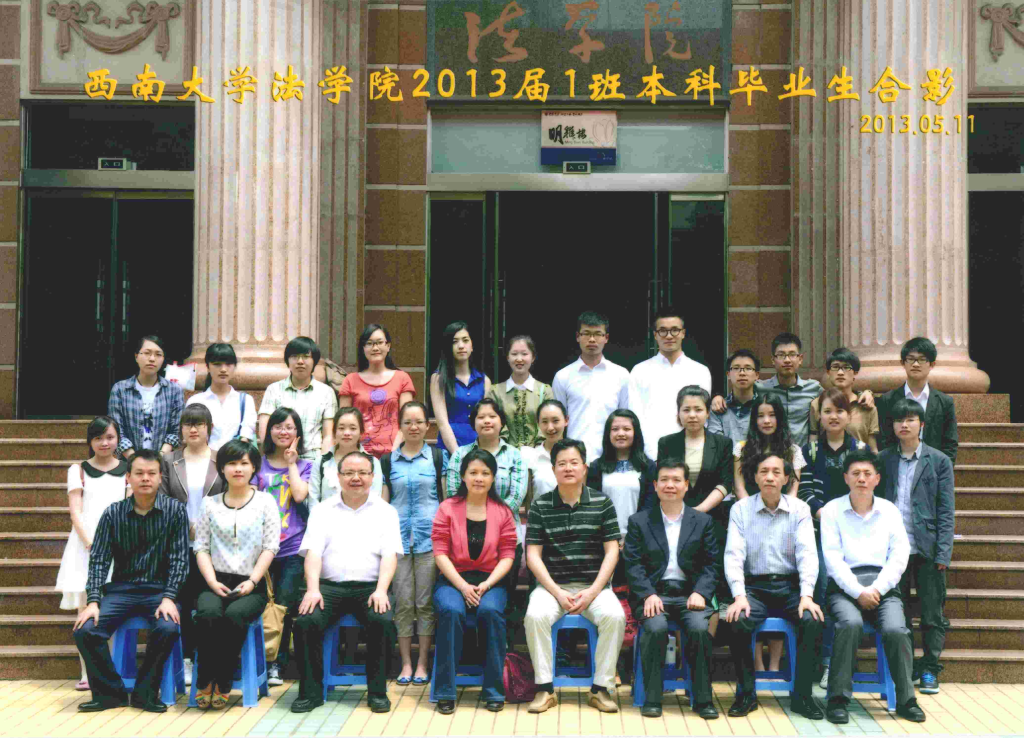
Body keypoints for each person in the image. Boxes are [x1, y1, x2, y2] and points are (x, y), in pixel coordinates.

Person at [71, 450, 189, 714]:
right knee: (85, 630)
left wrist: (169, 597)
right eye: (139, 473)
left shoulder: (175, 511)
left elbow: (180, 560)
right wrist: (93, 601)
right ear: (128, 477)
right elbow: (99, 561)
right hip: (121, 590)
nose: (145, 478)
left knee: (168, 628)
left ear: (160, 477)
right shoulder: (113, 513)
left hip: (159, 592)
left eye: (151, 473)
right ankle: (110, 694)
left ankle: (145, 693)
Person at [290, 451, 403, 714]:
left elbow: (390, 556)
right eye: (349, 473)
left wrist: (382, 590)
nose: (356, 478)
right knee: (306, 621)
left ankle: (377, 692)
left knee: (383, 621)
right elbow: (313, 554)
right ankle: (310, 693)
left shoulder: (386, 512)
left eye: (362, 473)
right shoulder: (322, 510)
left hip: (370, 587)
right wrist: (313, 589)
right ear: (338, 477)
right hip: (329, 587)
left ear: (372, 477)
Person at [820, 448, 925, 724]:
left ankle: (907, 700)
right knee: (849, 624)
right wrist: (858, 591)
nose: (862, 479)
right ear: (845, 478)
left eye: (867, 473)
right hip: (844, 588)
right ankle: (837, 700)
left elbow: (899, 555)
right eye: (855, 473)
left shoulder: (889, 511)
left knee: (896, 629)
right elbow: (833, 560)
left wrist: (876, 589)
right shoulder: (832, 511)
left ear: (877, 478)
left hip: (884, 587)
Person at [524, 439, 626, 715]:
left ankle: (600, 688)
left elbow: (612, 552)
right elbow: (533, 556)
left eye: (574, 462)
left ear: (585, 467)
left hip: (595, 588)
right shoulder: (540, 506)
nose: (568, 468)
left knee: (615, 616)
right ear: (553, 470)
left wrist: (593, 592)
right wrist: (557, 592)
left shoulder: (602, 503)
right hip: (552, 588)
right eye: (562, 464)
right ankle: (545, 689)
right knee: (535, 616)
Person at [723, 452, 824, 720]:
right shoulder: (740, 509)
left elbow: (807, 554)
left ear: (787, 478)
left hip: (790, 587)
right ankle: (746, 694)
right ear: (755, 477)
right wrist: (739, 595)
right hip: (754, 588)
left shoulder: (800, 509)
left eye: (776, 472)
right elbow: (733, 555)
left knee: (812, 620)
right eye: (764, 471)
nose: (770, 477)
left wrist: (807, 595)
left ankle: (802, 697)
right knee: (736, 619)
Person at [623, 458, 721, 720]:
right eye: (664, 480)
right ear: (655, 485)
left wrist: (701, 592)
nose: (670, 485)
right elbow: (633, 565)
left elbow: (712, 564)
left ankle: (703, 699)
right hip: (654, 593)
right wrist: (647, 594)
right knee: (655, 628)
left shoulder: (702, 521)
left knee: (699, 629)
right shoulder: (639, 521)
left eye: (677, 480)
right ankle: (652, 698)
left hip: (690, 594)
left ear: (686, 485)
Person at [192, 440, 280, 709]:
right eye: (231, 463)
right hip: (214, 580)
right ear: (222, 468)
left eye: (244, 463)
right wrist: (211, 581)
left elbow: (270, 547)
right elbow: (201, 547)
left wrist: (252, 581)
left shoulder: (265, 502)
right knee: (208, 614)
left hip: (252, 583)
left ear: (254, 468)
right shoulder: (209, 504)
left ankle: (223, 681)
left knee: (234, 616)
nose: (238, 469)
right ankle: (205, 679)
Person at [431, 448, 518, 714]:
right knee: (451, 610)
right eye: (473, 472)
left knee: (490, 611)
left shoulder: (503, 511)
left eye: (485, 473)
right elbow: (440, 552)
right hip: (453, 580)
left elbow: (508, 555)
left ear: (493, 478)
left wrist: (487, 584)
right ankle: (445, 691)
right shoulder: (447, 508)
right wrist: (462, 586)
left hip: (491, 580)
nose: (479, 478)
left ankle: (493, 691)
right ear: (463, 476)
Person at [877, 398, 955, 695]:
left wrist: (943, 552)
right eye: (899, 420)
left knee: (932, 613)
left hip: (927, 548)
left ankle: (931, 668)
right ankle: (907, 668)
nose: (904, 425)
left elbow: (946, 510)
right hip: (893, 550)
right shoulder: (884, 459)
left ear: (921, 424)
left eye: (910, 419)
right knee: (901, 614)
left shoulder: (939, 461)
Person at [796, 388, 865, 688]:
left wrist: (841, 517)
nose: (833, 416)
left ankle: (844, 662)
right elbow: (805, 490)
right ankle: (824, 662)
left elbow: (864, 490)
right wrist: (822, 513)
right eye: (827, 411)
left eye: (839, 410)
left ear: (849, 415)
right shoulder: (809, 451)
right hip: (819, 535)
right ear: (819, 416)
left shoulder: (860, 450)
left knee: (850, 594)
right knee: (823, 590)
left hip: (854, 537)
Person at [56, 416, 130, 691]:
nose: (104, 443)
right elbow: (75, 512)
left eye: (110, 437)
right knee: (86, 611)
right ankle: (88, 672)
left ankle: (112, 670)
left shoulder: (128, 469)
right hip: (84, 547)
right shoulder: (78, 470)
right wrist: (91, 544)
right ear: (90, 441)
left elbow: (129, 509)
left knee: (113, 610)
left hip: (119, 547)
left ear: (118, 439)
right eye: (98, 438)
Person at [157, 403, 225, 687]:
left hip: (216, 547)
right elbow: (162, 500)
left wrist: (205, 528)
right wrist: (186, 527)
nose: (193, 429)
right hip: (178, 545)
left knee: (209, 603)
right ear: (181, 429)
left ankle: (209, 658)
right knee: (182, 603)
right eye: (188, 424)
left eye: (199, 424)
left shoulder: (222, 459)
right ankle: (185, 659)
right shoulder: (169, 460)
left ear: (209, 428)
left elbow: (230, 499)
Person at [657, 387, 734, 617]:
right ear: (678, 413)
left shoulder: (722, 443)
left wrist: (698, 511)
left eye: (698, 409)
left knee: (712, 572)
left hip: (711, 517)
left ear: (708, 412)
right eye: (686, 409)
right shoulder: (667, 443)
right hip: (673, 517)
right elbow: (665, 480)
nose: (692, 415)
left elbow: (725, 483)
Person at [383, 400, 444, 686]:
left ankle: (423, 663)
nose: (414, 427)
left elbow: (446, 502)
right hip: (397, 543)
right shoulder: (388, 461)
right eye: (407, 422)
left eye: (419, 421)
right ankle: (406, 663)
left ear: (428, 425)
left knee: (425, 604)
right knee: (404, 603)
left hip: (430, 541)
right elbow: (383, 506)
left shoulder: (437, 458)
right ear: (400, 426)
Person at [258, 407, 315, 687]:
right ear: (269, 431)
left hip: (292, 547)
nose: (283, 432)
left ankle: (276, 665)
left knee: (284, 606)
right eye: (278, 426)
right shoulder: (257, 463)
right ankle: (258, 661)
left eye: (290, 427)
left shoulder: (305, 465)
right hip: (260, 549)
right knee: (259, 605)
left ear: (298, 433)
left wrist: (291, 463)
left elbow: (300, 495)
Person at [627, 307, 712, 460]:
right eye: (663, 331)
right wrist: (649, 454)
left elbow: (703, 417)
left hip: (691, 454)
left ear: (683, 333)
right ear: (655, 335)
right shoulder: (640, 371)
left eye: (675, 330)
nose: (669, 336)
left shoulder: (700, 371)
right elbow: (635, 417)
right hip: (649, 454)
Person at [711, 334, 823, 447]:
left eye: (792, 354)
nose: (787, 360)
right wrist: (717, 396)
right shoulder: (761, 388)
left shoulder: (813, 388)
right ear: (773, 360)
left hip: (802, 453)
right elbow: (740, 387)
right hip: (771, 452)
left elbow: (831, 399)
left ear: (800, 359)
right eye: (781, 355)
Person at [445, 399, 528, 544]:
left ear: (502, 422)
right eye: (481, 417)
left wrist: (489, 519)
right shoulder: (460, 455)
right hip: (468, 536)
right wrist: (476, 520)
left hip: (506, 536)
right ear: (473, 423)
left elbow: (516, 498)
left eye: (492, 416)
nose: (487, 421)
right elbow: (453, 494)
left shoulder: (515, 455)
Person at [552, 311, 629, 464]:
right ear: (577, 336)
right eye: (586, 333)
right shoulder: (563, 376)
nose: (592, 339)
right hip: (575, 459)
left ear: (606, 337)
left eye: (598, 334)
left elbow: (626, 419)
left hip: (612, 457)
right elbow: (557, 422)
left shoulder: (621, 375)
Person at [876, 337, 959, 464]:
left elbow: (950, 443)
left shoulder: (945, 402)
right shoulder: (887, 400)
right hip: (897, 468)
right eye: (911, 359)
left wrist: (941, 471)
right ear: (903, 363)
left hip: (932, 469)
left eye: (922, 359)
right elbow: (884, 441)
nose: (915, 364)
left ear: (932, 364)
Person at [337, 324, 416, 458]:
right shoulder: (350, 380)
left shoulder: (402, 378)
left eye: (379, 342)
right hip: (359, 454)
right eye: (369, 343)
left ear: (388, 346)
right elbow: (343, 422)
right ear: (363, 348)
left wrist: (394, 452)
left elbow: (407, 419)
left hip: (395, 452)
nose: (375, 348)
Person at [258, 337, 338, 462]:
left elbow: (329, 436)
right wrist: (274, 459)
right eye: (295, 356)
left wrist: (322, 464)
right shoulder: (273, 390)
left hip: (313, 460)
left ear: (314, 361)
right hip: (280, 459)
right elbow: (264, 431)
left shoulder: (326, 392)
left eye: (306, 356)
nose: (300, 361)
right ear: (287, 361)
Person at [586, 409, 658, 545]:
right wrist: (609, 538)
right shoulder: (596, 467)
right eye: (615, 429)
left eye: (626, 429)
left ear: (635, 432)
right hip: (604, 540)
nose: (620, 433)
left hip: (639, 540)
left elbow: (650, 506)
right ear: (608, 433)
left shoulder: (648, 467)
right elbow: (592, 507)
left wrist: (633, 536)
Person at [107, 335, 183, 459]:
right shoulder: (120, 390)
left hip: (162, 462)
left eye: (158, 354)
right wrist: (134, 460)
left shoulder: (174, 390)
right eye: (147, 353)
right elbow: (116, 430)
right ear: (136, 356)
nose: (152, 359)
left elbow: (176, 430)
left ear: (163, 359)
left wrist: (160, 458)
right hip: (128, 462)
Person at [430, 321, 491, 456]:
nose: (461, 346)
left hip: (478, 450)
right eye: (455, 342)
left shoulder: (484, 381)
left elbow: (487, 421)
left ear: (472, 345)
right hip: (449, 450)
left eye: (465, 340)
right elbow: (442, 423)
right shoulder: (438, 379)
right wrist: (457, 455)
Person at [185, 343, 257, 451]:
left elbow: (246, 434)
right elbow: (190, 435)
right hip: (204, 458)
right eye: (217, 364)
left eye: (228, 364)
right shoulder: (195, 401)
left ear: (234, 367)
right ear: (208, 367)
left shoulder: (245, 400)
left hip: (235, 457)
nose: (223, 369)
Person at [734, 394, 806, 500]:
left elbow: (793, 492)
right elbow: (739, 488)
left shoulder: (794, 451)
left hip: (784, 508)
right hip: (748, 507)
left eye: (772, 415)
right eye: (760, 415)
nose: (766, 421)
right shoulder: (741, 449)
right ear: (754, 419)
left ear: (780, 418)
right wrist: (751, 509)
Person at [309, 406, 384, 506]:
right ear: (334, 432)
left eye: (353, 428)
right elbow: (313, 500)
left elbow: (375, 499)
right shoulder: (321, 462)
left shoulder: (373, 463)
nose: (346, 433)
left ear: (361, 432)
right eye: (341, 428)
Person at [488, 335, 552, 448]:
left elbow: (550, 423)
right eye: (514, 354)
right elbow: (492, 424)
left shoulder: (544, 391)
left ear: (533, 357)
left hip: (539, 453)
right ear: (508, 357)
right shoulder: (495, 392)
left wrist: (537, 450)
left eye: (524, 354)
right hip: (504, 453)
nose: (519, 359)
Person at [809, 348, 879, 451]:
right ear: (828, 372)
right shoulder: (817, 404)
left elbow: (873, 449)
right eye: (835, 367)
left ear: (855, 372)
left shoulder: (867, 405)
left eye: (846, 367)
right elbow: (813, 445)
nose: (840, 372)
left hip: (859, 459)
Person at [707, 349, 761, 445]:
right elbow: (716, 445)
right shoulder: (718, 408)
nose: (742, 373)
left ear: (756, 375)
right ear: (728, 374)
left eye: (748, 368)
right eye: (736, 368)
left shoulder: (765, 407)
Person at [522, 399, 569, 506]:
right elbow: (528, 500)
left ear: (566, 420)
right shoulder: (531, 456)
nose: (550, 428)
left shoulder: (576, 455)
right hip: (540, 515)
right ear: (538, 423)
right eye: (544, 422)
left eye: (555, 421)